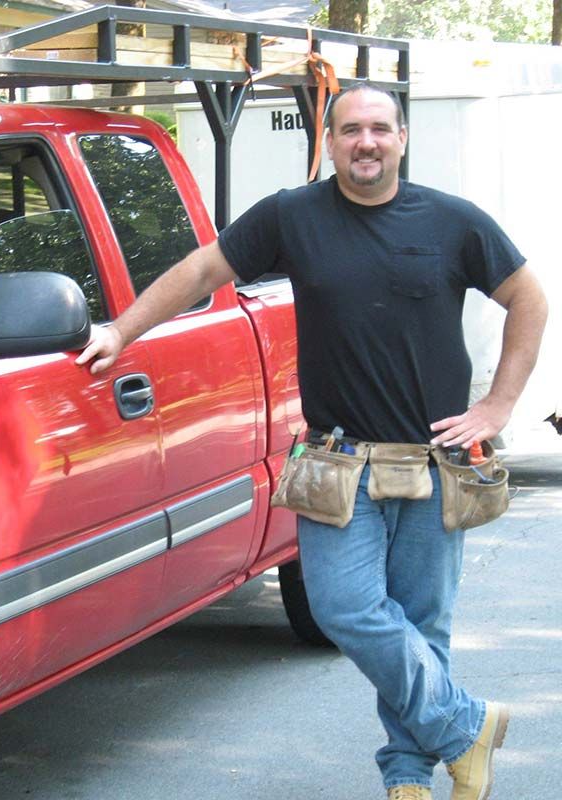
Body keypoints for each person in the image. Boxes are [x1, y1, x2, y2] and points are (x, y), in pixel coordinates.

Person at [75, 83, 547, 799]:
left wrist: (499, 404)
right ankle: (465, 726)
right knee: (345, 608)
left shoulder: (453, 223)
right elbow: (204, 270)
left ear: (402, 138)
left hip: (434, 462)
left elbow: (529, 299)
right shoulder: (293, 217)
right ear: (329, 141)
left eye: (380, 129)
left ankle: (412, 775)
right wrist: (119, 330)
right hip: (337, 463)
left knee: (422, 625)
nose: (367, 142)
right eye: (352, 129)